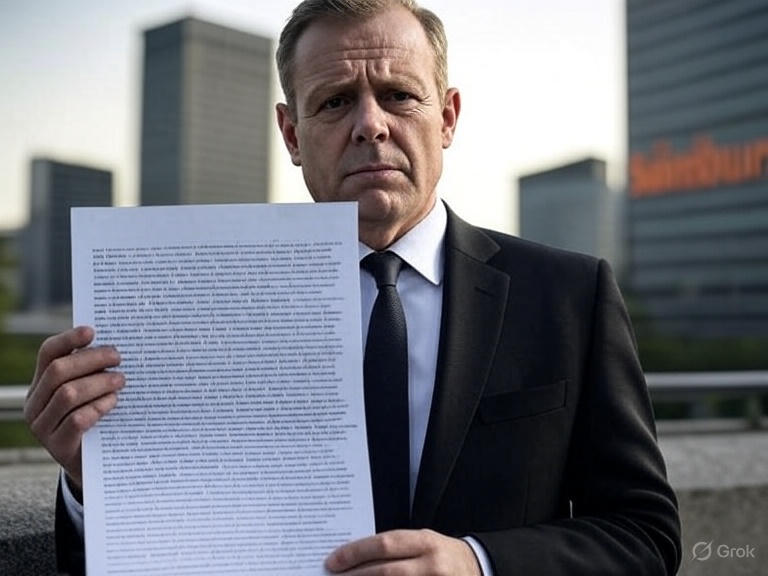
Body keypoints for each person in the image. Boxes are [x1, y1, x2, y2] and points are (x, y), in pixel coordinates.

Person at [25, 0, 682, 574]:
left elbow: (646, 535)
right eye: (336, 101)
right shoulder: (202, 311)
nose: (371, 124)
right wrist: (95, 480)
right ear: (292, 134)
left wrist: (477, 563)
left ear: (448, 117)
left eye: (399, 95)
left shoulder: (569, 295)